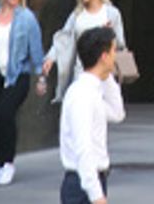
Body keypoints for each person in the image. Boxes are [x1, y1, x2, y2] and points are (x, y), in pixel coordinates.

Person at [0, 0, 45, 186]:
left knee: (4, 113)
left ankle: (8, 163)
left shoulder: (26, 18)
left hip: (16, 75)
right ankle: (0, 165)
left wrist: (41, 77)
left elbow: (36, 50)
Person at [59, 27, 124, 204]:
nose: (115, 56)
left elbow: (117, 113)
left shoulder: (92, 90)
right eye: (113, 50)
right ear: (103, 56)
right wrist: (96, 196)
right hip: (82, 185)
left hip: (93, 180)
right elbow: (83, 148)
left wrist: (107, 75)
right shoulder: (82, 94)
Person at [43, 0, 127, 103]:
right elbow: (64, 38)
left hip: (103, 73)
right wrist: (50, 58)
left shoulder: (111, 13)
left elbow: (120, 44)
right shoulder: (77, 15)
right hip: (80, 71)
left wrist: (110, 33)